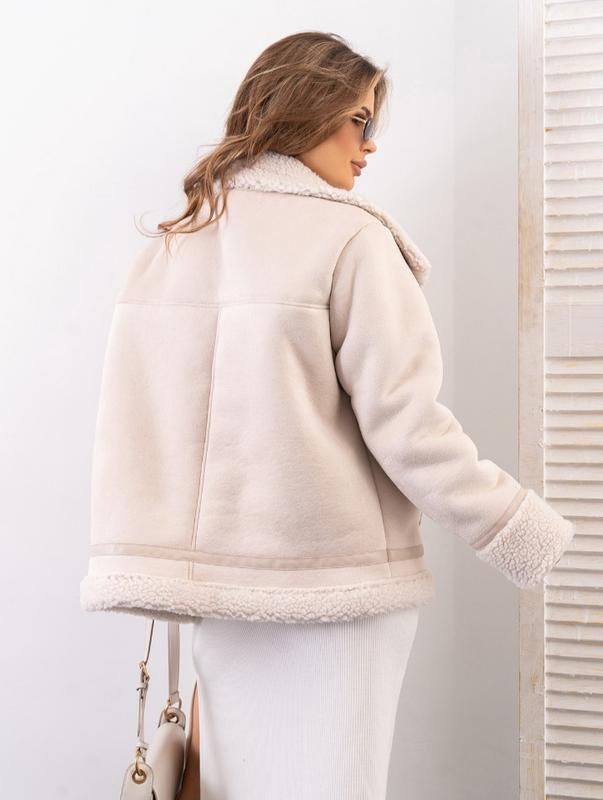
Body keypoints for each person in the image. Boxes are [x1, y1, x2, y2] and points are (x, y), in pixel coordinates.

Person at [80, 30, 576, 799]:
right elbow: (408, 427)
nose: (370, 146)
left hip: (224, 599)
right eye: (359, 120)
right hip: (336, 595)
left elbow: (136, 429)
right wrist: (520, 529)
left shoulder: (179, 241)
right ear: (305, 109)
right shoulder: (351, 239)